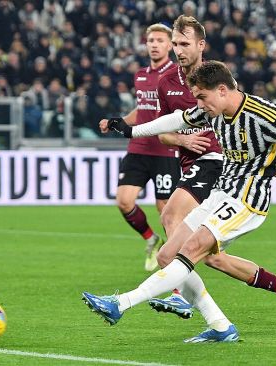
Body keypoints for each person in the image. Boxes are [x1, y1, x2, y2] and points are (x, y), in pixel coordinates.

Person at [83, 60, 276, 342]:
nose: (198, 104)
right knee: (167, 255)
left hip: (248, 198)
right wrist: (132, 129)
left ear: (222, 90)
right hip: (221, 193)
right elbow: (178, 119)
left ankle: (120, 304)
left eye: (202, 97)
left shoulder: (262, 115)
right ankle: (228, 322)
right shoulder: (212, 110)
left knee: (194, 248)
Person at [146, 15, 276, 329]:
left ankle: (179, 292)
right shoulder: (165, 82)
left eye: (183, 43)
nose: (177, 49)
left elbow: (240, 118)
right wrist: (179, 137)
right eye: (174, 43)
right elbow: (164, 131)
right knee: (212, 257)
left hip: (217, 163)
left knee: (170, 219)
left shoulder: (216, 77)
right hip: (188, 161)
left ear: (200, 46)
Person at [97, 24, 181, 271]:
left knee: (165, 211)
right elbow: (142, 109)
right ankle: (151, 239)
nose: (154, 44)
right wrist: (118, 122)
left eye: (159, 40)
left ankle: (174, 264)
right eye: (151, 40)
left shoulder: (177, 73)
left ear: (169, 46)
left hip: (165, 150)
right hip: (138, 147)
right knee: (124, 201)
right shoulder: (141, 75)